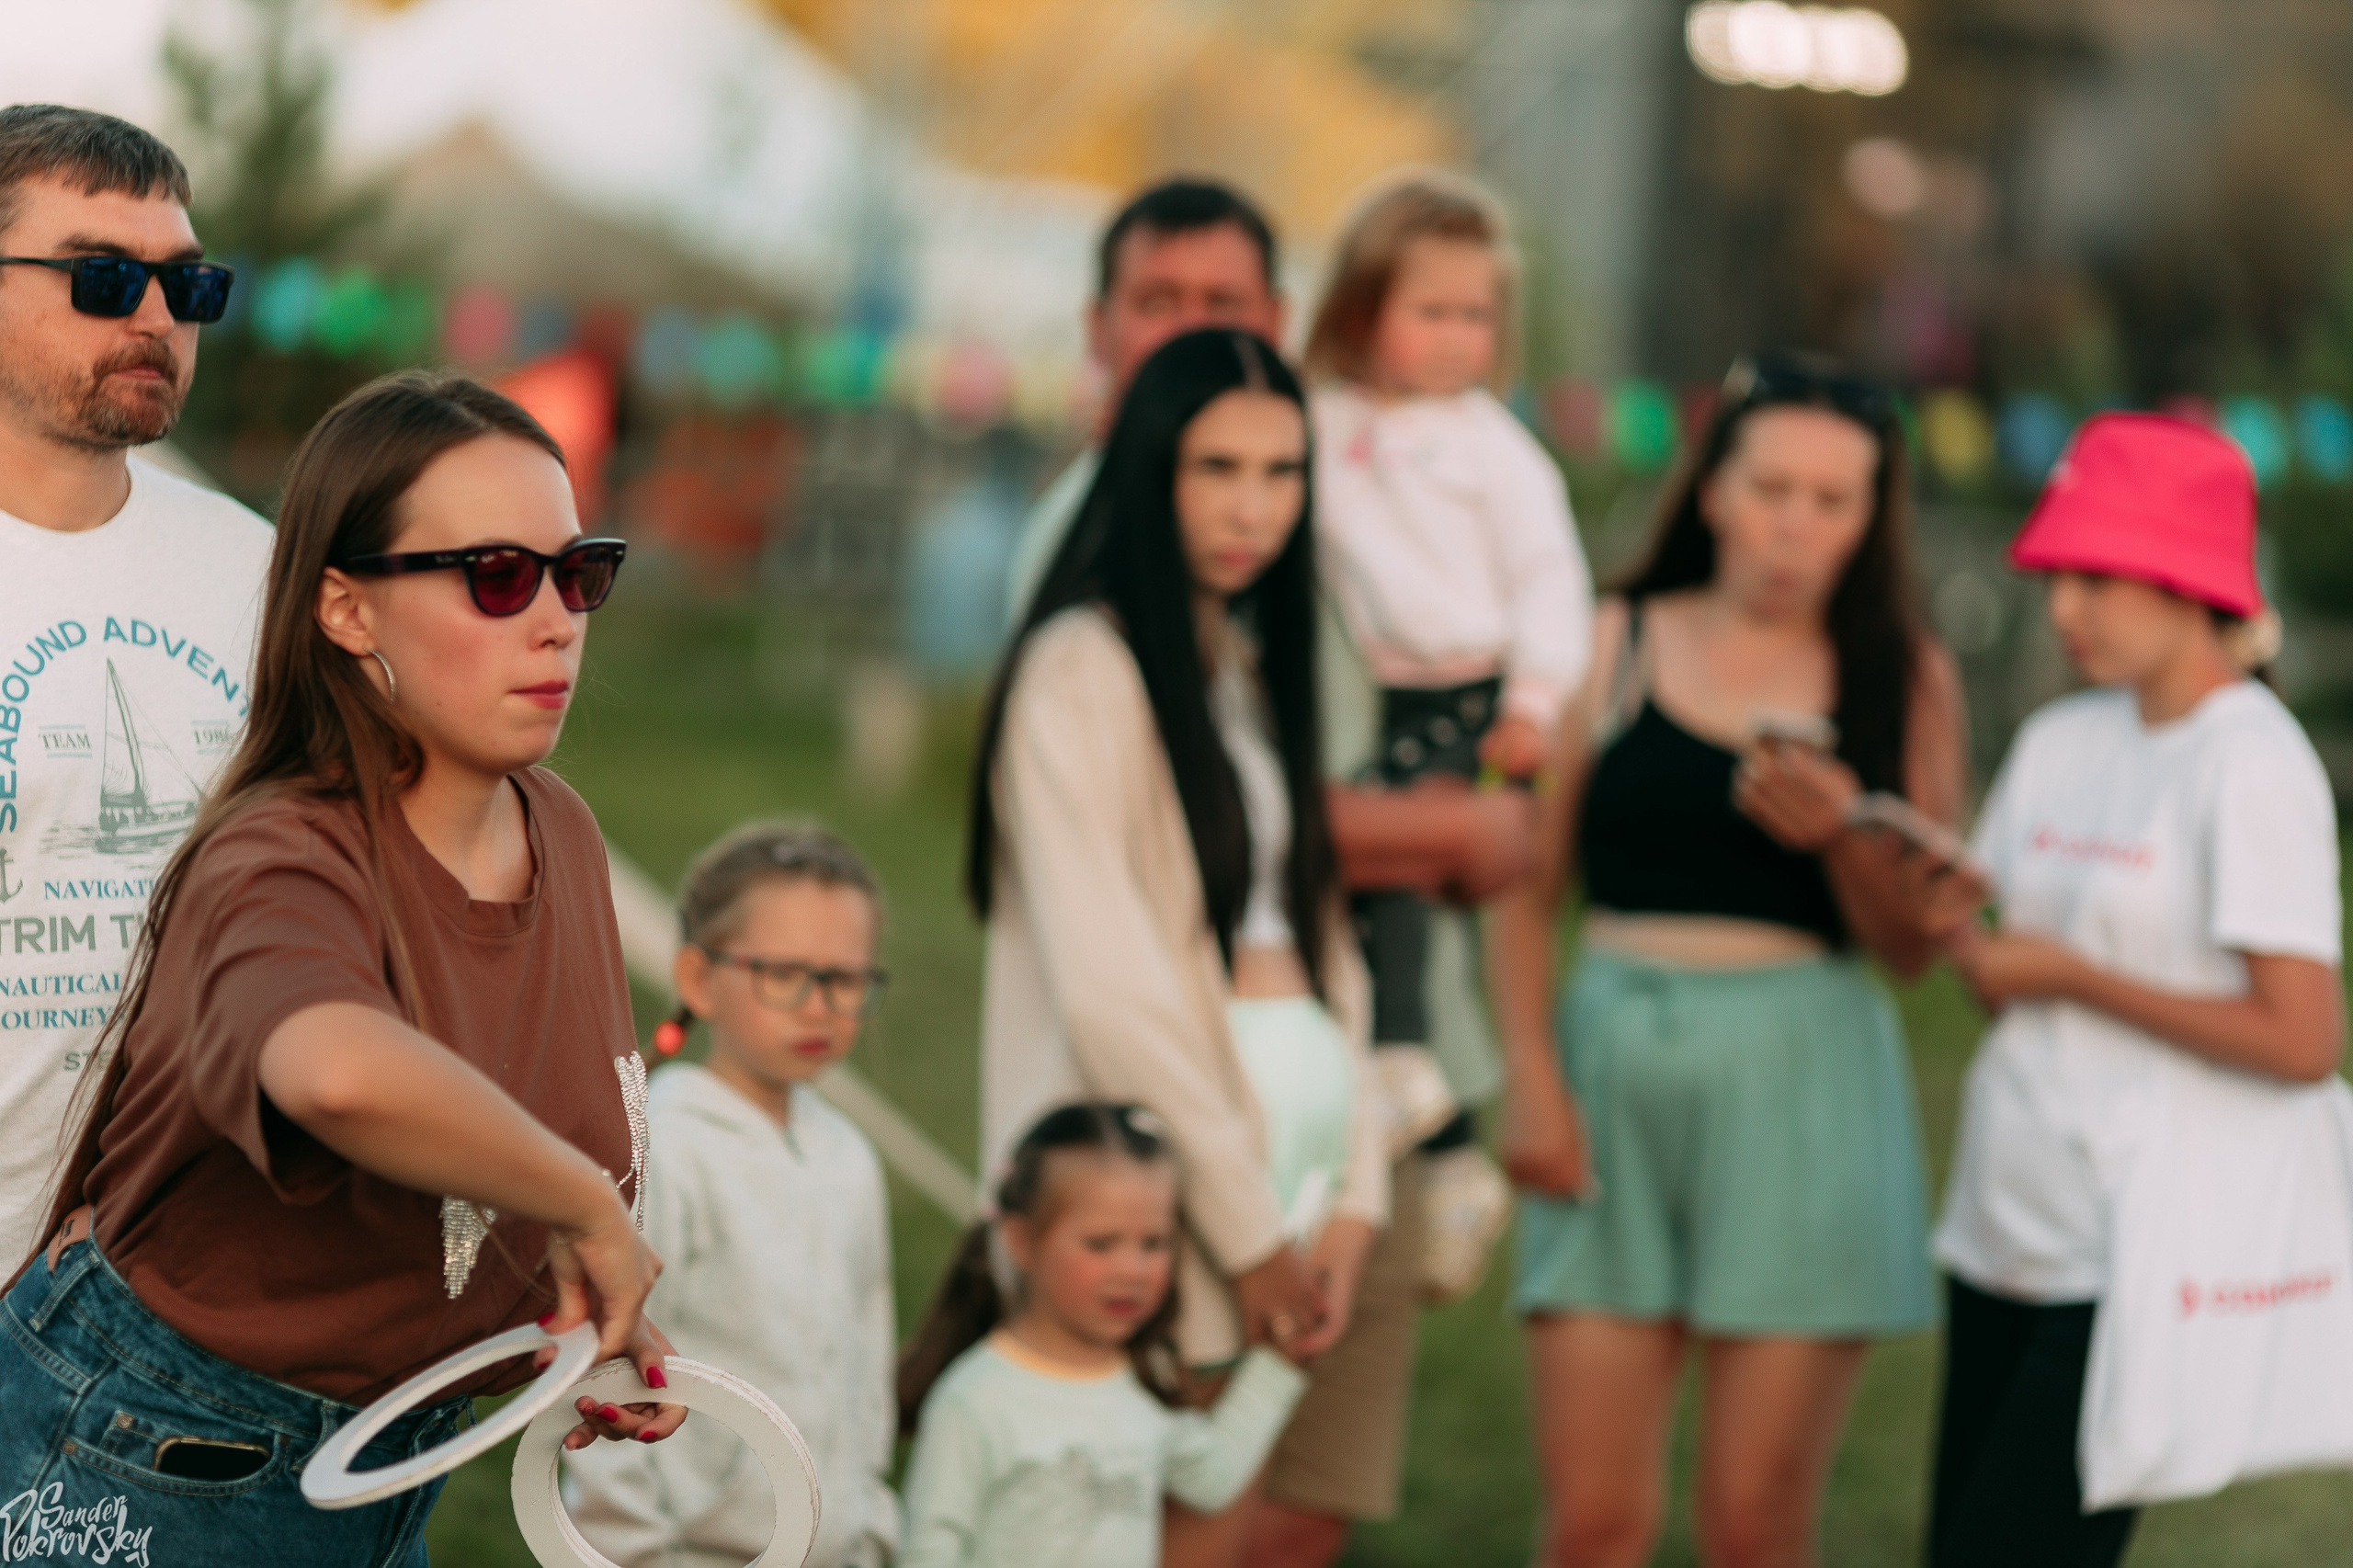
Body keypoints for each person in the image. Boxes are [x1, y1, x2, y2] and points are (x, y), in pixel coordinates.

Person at [1, 373, 672, 1563]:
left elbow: (495, 1157)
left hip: (380, 1465)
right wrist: (576, 1198)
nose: (557, 619)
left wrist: (570, 1318)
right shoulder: (281, 851)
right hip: (155, 1451)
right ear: (348, 609)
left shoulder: (560, 830)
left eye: (578, 572)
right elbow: (334, 1072)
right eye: (497, 575)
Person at [1492, 354, 1971, 1568]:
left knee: (1756, 1527)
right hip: (1610, 1066)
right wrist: (1530, 1078)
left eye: (1833, 499)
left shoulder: (1903, 674)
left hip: (1807, 1084)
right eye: (1771, 489)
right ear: (1711, 488)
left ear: (1872, 517)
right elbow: (1522, 885)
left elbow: (1914, 948)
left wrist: (1842, 836)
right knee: (1594, 1523)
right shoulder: (1609, 640)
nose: (1795, 526)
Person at [969, 326, 1404, 1567]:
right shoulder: (1081, 672)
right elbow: (1113, 989)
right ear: (1150, 468)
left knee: (1226, 1524)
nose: (1251, 507)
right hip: (1161, 1168)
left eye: (1280, 471)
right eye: (1217, 467)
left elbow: (1330, 946)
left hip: (1293, 1164)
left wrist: (1356, 1197)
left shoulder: (1249, 673)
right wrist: (1246, 1228)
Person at [1927, 413, 2342, 1568]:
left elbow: (2301, 1038)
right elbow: (2003, 976)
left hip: (2125, 1254)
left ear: (2188, 578)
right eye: (2056, 576)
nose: (2064, 609)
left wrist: (2071, 973)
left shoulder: (2248, 762)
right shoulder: (2059, 736)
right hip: (1999, 1219)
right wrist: (1951, 925)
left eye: (2096, 579)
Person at [1302, 170, 1595, 1300]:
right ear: (1361, 304)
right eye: (1430, 310)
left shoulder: (1490, 448)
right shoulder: (1323, 423)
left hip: (1473, 691)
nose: (1455, 337)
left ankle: (1419, 1084)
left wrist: (1534, 702)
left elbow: (1549, 578)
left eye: (1475, 315)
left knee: (1399, 862)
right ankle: (1439, 1128)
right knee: (1389, 882)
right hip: (1383, 687)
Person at [0, 104, 272, 1266]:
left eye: (187, 283)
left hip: (180, 1284)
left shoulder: (259, 569)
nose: (156, 316)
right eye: (103, 277)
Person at [565, 822, 901, 1568]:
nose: (819, 1005)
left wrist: (870, 1527)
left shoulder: (851, 1156)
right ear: (697, 978)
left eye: (846, 980)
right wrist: (632, 1554)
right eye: (784, 973)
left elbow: (868, 1369)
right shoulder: (663, 1147)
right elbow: (607, 1375)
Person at [897, 1103, 1310, 1568]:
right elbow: (928, 1551)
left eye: (1154, 1243)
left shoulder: (1136, 1389)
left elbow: (1211, 1478)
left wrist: (1280, 1362)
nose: (1133, 1271)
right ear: (1022, 1241)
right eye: (1101, 1244)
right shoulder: (974, 1402)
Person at [1002, 178, 1286, 628]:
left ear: (1275, 322)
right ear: (1099, 327)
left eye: (1223, 303)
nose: (1191, 331)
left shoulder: (1340, 505)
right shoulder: (1069, 541)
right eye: (1158, 304)